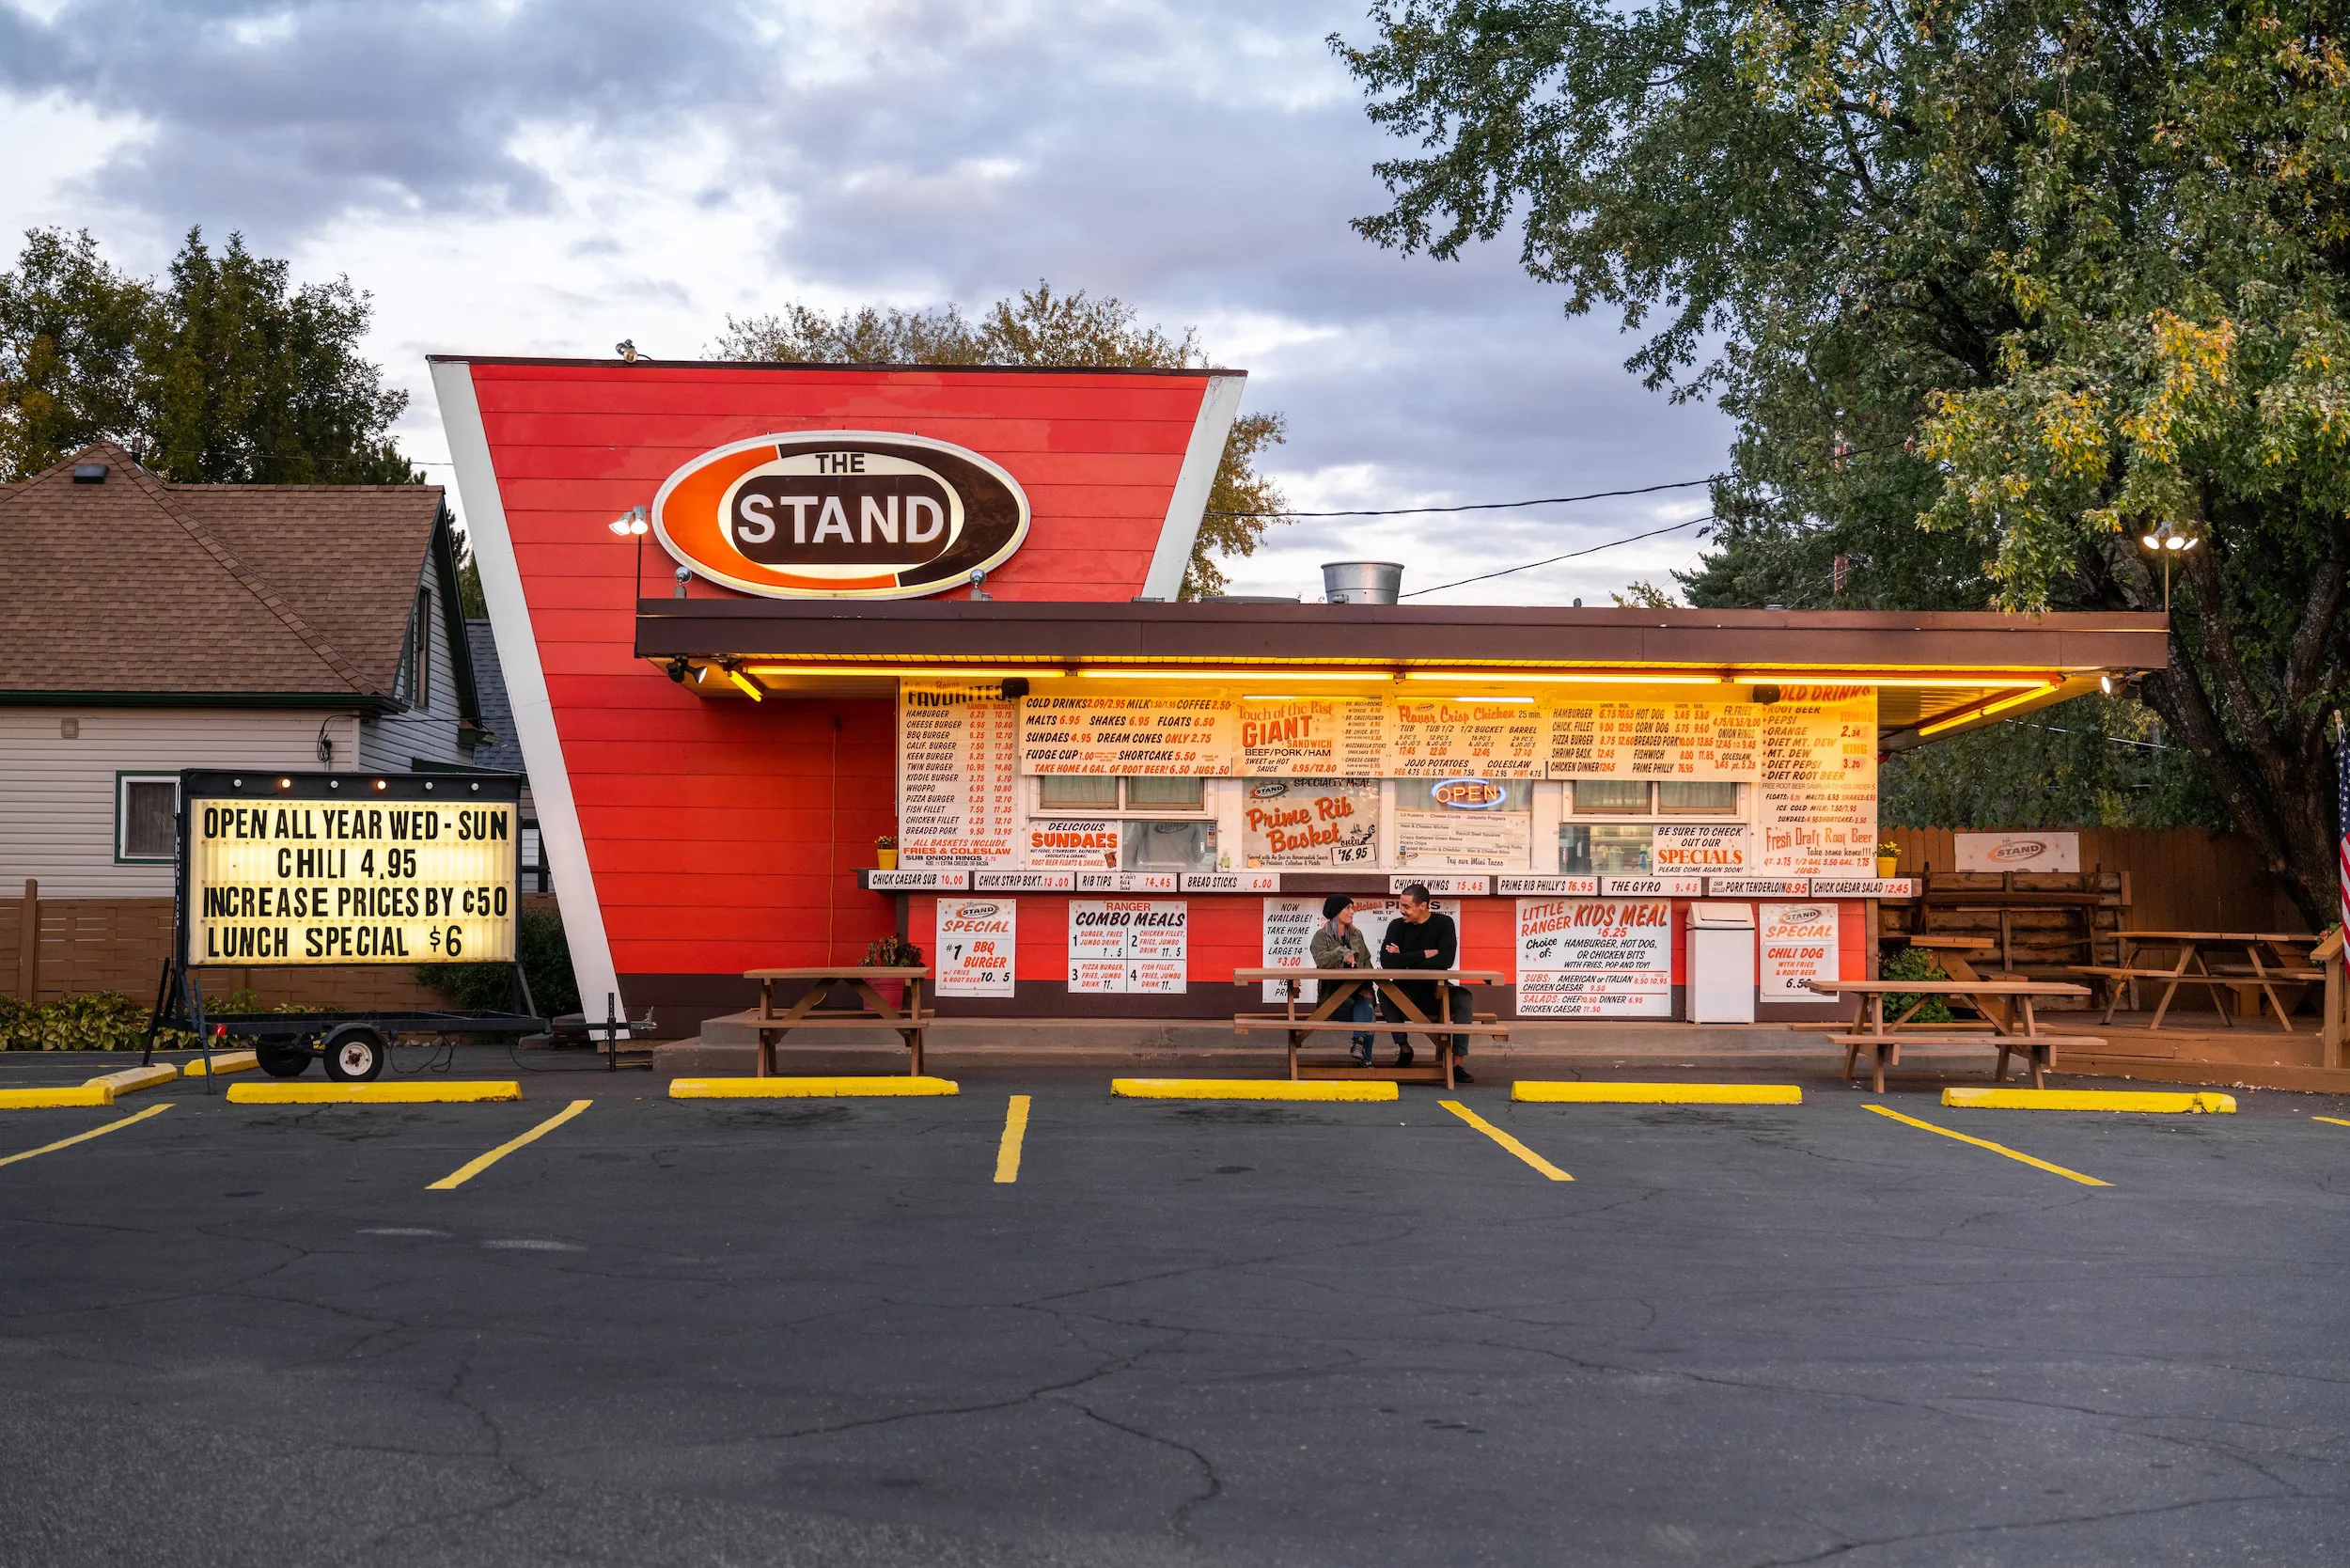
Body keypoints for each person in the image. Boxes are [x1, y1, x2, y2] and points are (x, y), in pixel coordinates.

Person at [1378, 883, 1473, 1082]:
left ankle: (1457, 1064)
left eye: (1406, 906)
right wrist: (1425, 954)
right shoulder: (1396, 926)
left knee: (1464, 997)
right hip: (1406, 993)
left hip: (1436, 993)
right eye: (1400, 905)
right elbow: (1387, 962)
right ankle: (1404, 1049)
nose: (1401, 910)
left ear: (1423, 906)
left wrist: (1403, 956)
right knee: (1384, 992)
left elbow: (1446, 960)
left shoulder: (1444, 923)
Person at [1308, 894, 1377, 1067]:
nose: (1352, 911)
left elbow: (1366, 961)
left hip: (1359, 995)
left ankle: (1359, 1044)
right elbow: (1321, 960)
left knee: (1367, 1000)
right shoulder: (1321, 936)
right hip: (1333, 999)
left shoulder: (1356, 934)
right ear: (1336, 911)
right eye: (1348, 908)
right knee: (1367, 1014)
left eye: (1352, 908)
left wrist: (1370, 980)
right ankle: (1366, 1059)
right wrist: (1342, 953)